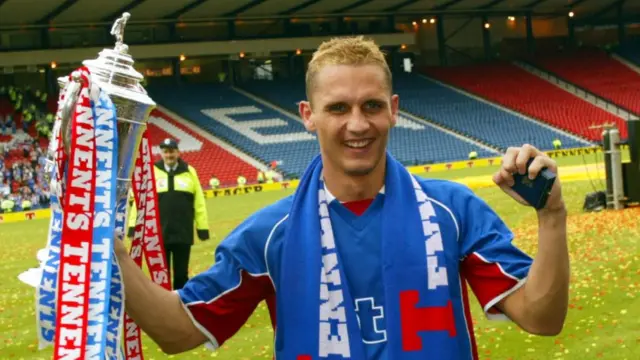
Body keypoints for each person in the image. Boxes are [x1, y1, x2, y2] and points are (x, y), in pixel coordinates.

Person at [115, 36, 569, 359]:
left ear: (392, 110)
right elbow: (178, 331)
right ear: (308, 116)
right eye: (338, 108)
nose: (357, 124)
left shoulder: (454, 211)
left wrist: (551, 215)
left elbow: (541, 318)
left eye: (371, 106)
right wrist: (105, 242)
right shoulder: (270, 235)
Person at [127, 138, 210, 290]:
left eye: (172, 151)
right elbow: (140, 201)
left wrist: (202, 227)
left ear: (178, 152)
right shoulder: (152, 171)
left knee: (181, 275)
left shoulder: (189, 172)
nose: (169, 155)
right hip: (158, 234)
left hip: (183, 233)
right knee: (160, 275)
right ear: (161, 154)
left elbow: (199, 202)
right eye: (165, 152)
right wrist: (133, 226)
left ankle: (180, 304)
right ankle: (163, 306)